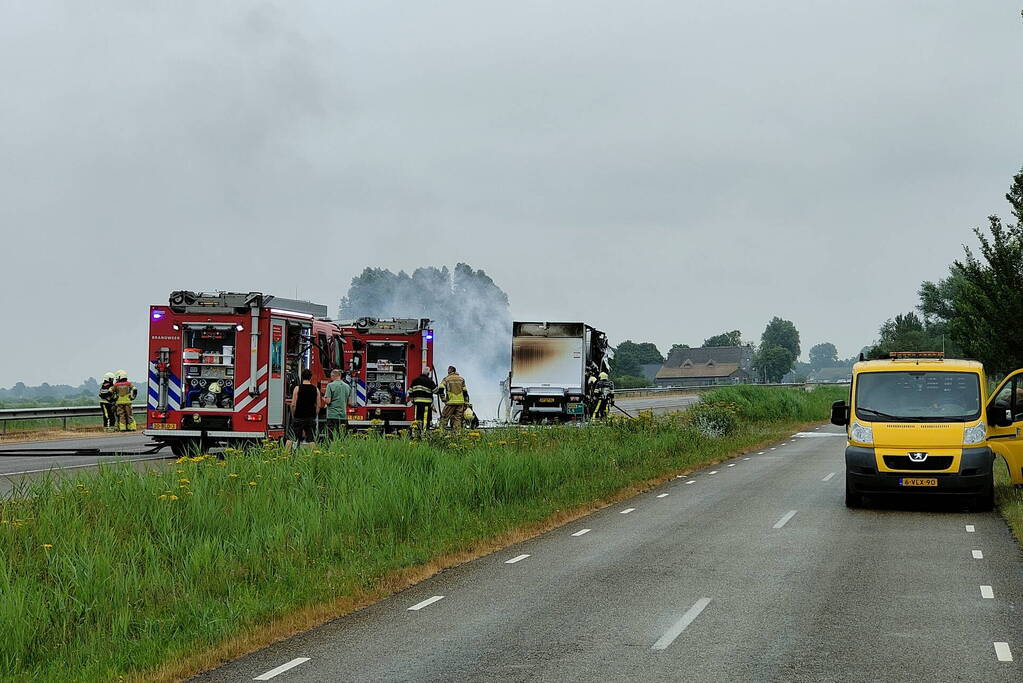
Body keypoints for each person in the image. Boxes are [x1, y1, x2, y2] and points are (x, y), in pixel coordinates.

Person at [287, 368, 322, 448]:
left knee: (291, 437)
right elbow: (318, 405)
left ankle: (286, 456)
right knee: (311, 439)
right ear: (311, 377)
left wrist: (294, 414)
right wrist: (314, 415)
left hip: (298, 416)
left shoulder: (297, 388)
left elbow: (293, 404)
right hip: (310, 417)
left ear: (302, 377)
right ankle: (314, 456)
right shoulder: (316, 389)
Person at [438, 365, 469, 433]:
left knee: (444, 417)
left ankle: (440, 433)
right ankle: (457, 434)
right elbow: (465, 392)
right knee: (457, 419)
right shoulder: (461, 379)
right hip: (460, 403)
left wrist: (443, 399)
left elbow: (440, 389)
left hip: (450, 402)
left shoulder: (446, 379)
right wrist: (466, 402)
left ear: (450, 371)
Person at [322, 369, 352, 439]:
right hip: (343, 415)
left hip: (332, 415)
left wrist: (323, 398)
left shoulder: (330, 385)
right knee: (342, 436)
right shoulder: (347, 386)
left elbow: (328, 401)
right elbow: (350, 402)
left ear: (333, 376)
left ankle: (331, 449)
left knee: (331, 436)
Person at [408, 368, 438, 433]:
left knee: (417, 418)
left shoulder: (415, 381)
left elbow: (410, 391)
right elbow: (435, 391)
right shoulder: (430, 381)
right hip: (426, 404)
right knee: (425, 419)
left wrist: (412, 399)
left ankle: (417, 432)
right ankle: (424, 433)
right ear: (428, 374)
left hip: (417, 403)